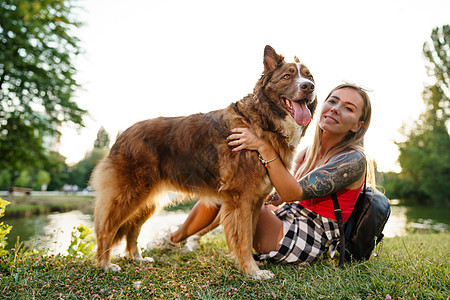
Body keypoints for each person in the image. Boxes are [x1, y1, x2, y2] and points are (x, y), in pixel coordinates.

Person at [148, 83, 375, 264]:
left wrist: (263, 146)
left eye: (348, 108)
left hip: (304, 240)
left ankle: (176, 238)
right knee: (234, 189)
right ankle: (184, 237)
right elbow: (280, 195)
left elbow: (293, 192)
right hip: (287, 218)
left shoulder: (353, 159)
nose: (335, 108)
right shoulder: (308, 153)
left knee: (238, 193)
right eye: (332, 101)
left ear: (358, 125)